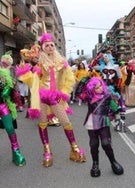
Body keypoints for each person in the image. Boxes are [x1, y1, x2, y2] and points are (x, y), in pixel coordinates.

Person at [16, 33, 86, 167]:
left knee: (66, 122)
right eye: (46, 45)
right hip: (42, 97)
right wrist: (26, 72)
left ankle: (74, 148)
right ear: (42, 48)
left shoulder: (62, 63)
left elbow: (70, 80)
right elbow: (33, 82)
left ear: (54, 47)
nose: (49, 47)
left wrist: (64, 93)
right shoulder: (40, 64)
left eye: (51, 45)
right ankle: (47, 151)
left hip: (56, 98)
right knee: (42, 123)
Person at [82, 77, 124, 177]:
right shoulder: (89, 97)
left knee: (106, 144)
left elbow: (115, 108)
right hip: (91, 123)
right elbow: (79, 93)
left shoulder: (107, 96)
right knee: (93, 144)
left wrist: (114, 114)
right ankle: (95, 165)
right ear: (92, 89)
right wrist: (84, 80)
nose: (100, 88)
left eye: (101, 86)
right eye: (96, 88)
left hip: (103, 122)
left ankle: (113, 162)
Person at [0, 53, 26, 166]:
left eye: (7, 62)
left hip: (3, 104)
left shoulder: (10, 72)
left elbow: (13, 84)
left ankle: (16, 152)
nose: (4, 63)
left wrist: (8, 89)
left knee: (10, 128)